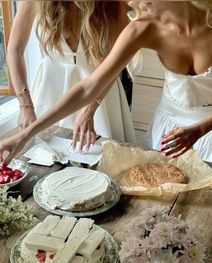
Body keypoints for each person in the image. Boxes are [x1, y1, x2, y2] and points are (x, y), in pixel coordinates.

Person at [1, 0, 212, 168]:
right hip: (168, 132)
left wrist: (201, 128)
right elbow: (87, 87)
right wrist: (26, 133)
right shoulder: (143, 27)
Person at [6, 1, 136, 151]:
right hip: (49, 91)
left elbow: (115, 61)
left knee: (104, 161)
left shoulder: (113, 3)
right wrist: (25, 106)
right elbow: (14, 49)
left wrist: (89, 109)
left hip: (100, 90)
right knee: (46, 161)